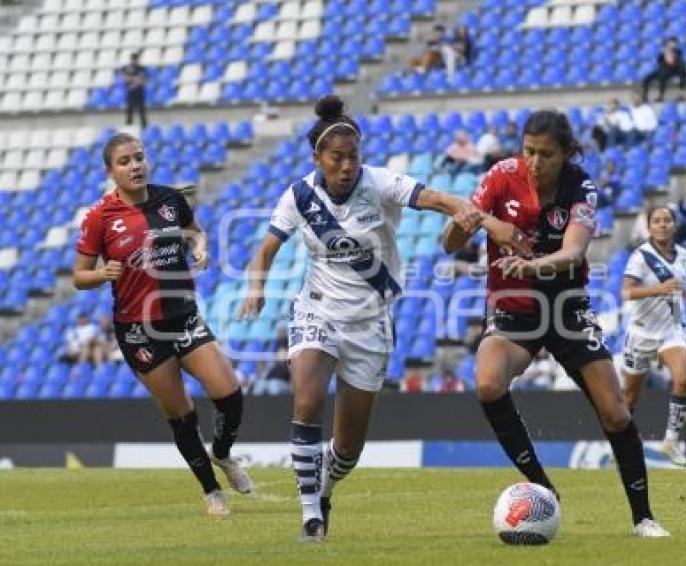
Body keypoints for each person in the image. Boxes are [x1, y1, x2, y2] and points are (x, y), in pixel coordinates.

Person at [236, 95, 522, 542]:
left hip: (370, 322)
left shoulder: (379, 182)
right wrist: (256, 286)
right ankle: (311, 515)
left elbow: (431, 197)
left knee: (347, 448)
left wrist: (468, 212)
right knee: (307, 401)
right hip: (317, 310)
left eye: (353, 157)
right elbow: (267, 248)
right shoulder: (299, 195)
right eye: (337, 158)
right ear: (318, 158)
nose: (347, 166)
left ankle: (325, 491)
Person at [441, 108, 669, 537]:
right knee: (488, 384)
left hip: (565, 306)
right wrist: (468, 223)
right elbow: (450, 242)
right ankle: (542, 487)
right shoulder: (499, 177)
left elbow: (574, 253)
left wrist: (532, 266)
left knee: (615, 413)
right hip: (513, 307)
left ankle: (644, 517)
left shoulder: (580, 187)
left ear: (565, 153)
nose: (535, 162)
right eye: (529, 151)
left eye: (546, 154)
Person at [73, 133, 253, 517]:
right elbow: (78, 276)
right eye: (124, 161)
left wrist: (200, 246)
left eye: (139, 158)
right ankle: (211, 491)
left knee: (230, 395)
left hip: (183, 317)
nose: (135, 165)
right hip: (140, 330)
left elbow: (195, 231)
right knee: (181, 413)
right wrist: (103, 272)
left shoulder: (171, 199)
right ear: (110, 171)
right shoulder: (98, 218)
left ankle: (221, 454)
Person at [621, 205, 686, 467]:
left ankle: (671, 441)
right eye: (657, 221)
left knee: (683, 378)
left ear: (674, 225)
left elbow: (680, 284)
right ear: (649, 227)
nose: (662, 225)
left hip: (670, 332)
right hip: (640, 333)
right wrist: (658, 289)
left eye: (667, 220)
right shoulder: (640, 256)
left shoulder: (683, 255)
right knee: (629, 398)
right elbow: (626, 292)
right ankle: (623, 448)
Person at [642, 37, 686, 102]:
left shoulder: (678, 52)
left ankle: (661, 96)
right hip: (662, 69)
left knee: (662, 77)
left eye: (674, 43)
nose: (672, 44)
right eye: (671, 43)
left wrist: (671, 54)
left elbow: (675, 63)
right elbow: (659, 61)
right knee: (646, 78)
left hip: (672, 70)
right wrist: (664, 53)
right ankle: (644, 96)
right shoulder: (663, 51)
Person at [121, 52, 148, 129]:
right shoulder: (126, 68)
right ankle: (129, 125)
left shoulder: (141, 68)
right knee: (129, 109)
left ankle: (144, 126)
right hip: (130, 91)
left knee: (141, 108)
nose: (134, 61)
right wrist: (135, 79)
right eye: (133, 59)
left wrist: (134, 83)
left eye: (136, 59)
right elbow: (125, 78)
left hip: (139, 91)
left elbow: (142, 80)